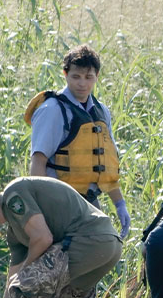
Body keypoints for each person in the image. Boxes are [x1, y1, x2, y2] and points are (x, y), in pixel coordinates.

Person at [24, 43, 131, 238]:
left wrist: (119, 204)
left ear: (97, 76)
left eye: (88, 77)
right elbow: (38, 162)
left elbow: (106, 165)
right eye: (76, 77)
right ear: (65, 74)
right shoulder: (53, 109)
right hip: (59, 202)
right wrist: (42, 209)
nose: (82, 83)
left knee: (104, 249)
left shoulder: (101, 111)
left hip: (89, 201)